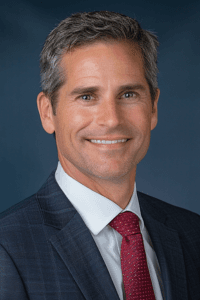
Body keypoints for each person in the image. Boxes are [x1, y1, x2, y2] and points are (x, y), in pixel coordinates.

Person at [0, 11, 200, 300]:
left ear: (153, 107)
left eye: (128, 94)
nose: (111, 120)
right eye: (87, 96)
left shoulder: (192, 235)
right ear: (48, 112)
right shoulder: (8, 250)